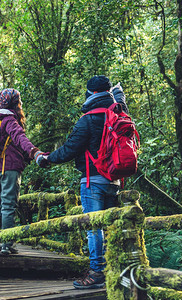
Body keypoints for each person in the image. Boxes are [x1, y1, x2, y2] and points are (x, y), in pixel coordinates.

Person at [35, 75, 128, 289]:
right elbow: (121, 101)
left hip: (92, 181)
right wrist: (118, 92)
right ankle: (114, 270)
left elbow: (70, 149)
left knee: (94, 228)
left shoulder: (88, 119)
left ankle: (97, 272)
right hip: (114, 180)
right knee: (111, 225)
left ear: (91, 94)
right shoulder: (119, 113)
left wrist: (48, 158)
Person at [0, 88, 43, 255]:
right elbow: (20, 138)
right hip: (9, 169)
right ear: (15, 103)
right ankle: (6, 244)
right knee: (9, 206)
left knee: (1, 206)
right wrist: (34, 152)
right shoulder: (9, 121)